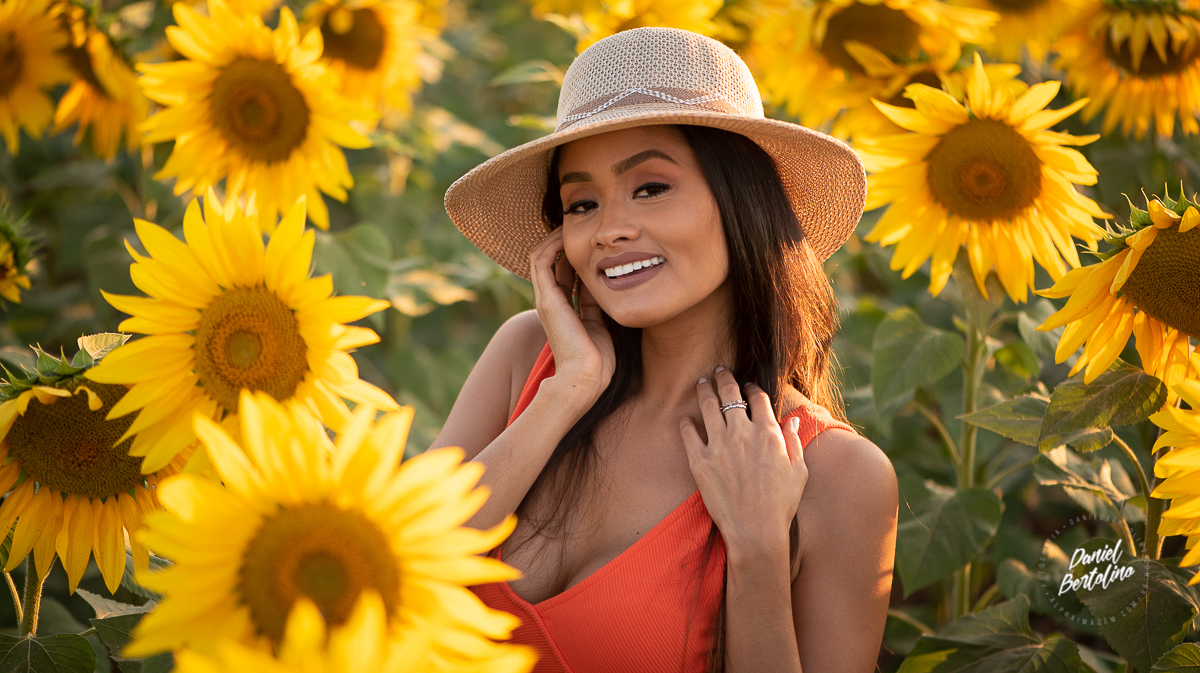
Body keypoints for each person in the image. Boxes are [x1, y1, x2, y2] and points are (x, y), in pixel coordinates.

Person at [435, 26, 898, 673]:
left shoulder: (840, 477)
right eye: (582, 203)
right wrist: (565, 391)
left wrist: (758, 549)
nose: (610, 229)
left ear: (743, 203)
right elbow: (397, 558)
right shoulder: (528, 358)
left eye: (649, 187)